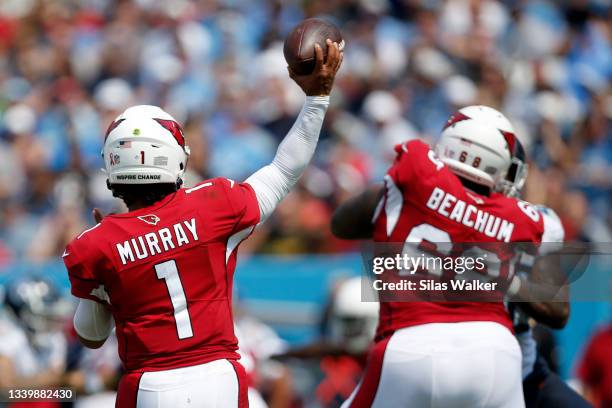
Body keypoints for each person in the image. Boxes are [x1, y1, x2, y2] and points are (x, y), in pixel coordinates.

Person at [62, 40, 342, 408]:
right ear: (175, 158)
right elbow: (285, 169)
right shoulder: (215, 204)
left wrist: (106, 278)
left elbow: (91, 336)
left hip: (149, 385)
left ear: (113, 166)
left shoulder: (95, 244)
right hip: (218, 378)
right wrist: (317, 99)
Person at [331, 106, 567, 408]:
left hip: (414, 344)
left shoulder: (415, 175)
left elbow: (340, 224)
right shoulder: (524, 217)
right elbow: (559, 308)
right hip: (498, 352)